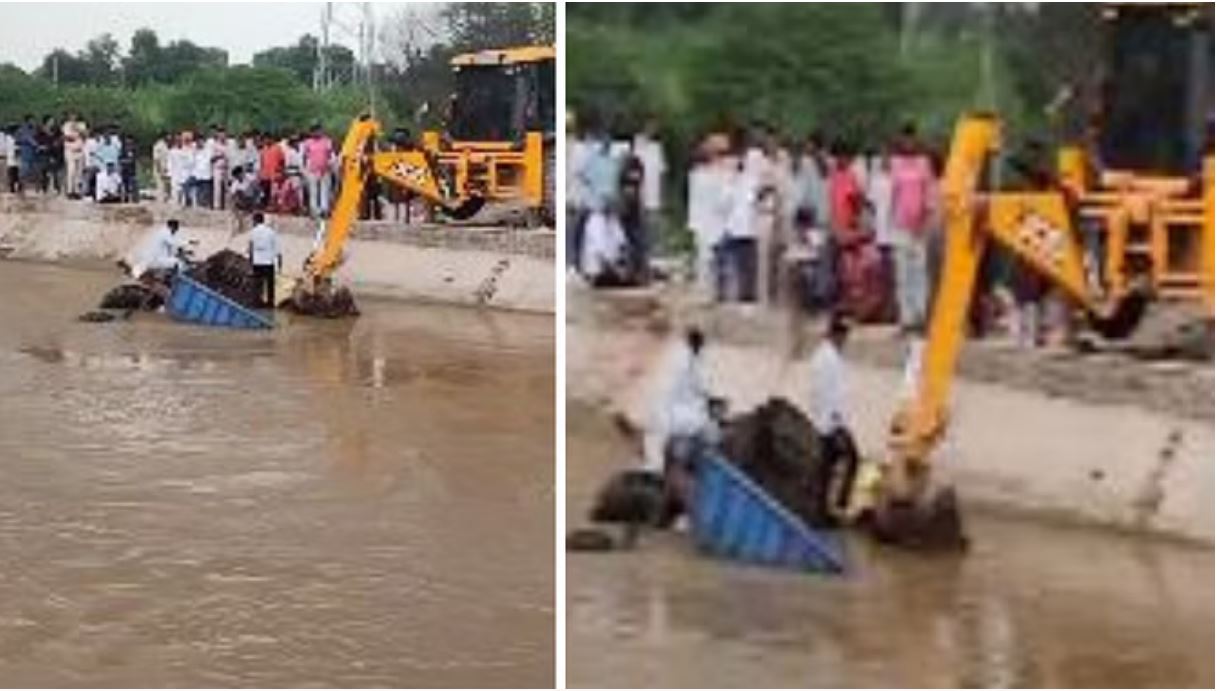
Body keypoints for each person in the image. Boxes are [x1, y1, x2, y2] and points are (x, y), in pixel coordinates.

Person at [809, 314, 860, 524]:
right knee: (852, 459)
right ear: (837, 335)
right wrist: (837, 423)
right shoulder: (828, 359)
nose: (845, 341)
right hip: (832, 423)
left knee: (826, 469)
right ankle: (838, 506)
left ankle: (822, 511)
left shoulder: (823, 356)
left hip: (825, 422)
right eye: (844, 336)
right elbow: (830, 394)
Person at [889, 122, 935, 332]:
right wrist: (891, 220)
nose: (908, 142)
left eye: (911, 138)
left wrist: (924, 220)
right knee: (902, 273)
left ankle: (920, 315)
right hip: (900, 224)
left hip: (919, 226)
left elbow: (929, 195)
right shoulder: (895, 163)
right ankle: (905, 319)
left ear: (916, 140)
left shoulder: (924, 163)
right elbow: (893, 194)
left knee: (919, 272)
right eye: (904, 138)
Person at [632, 116, 666, 278]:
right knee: (641, 232)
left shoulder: (656, 149)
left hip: (654, 197)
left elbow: (661, 174)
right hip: (639, 198)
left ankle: (652, 264)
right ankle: (641, 264)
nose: (653, 130)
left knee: (653, 233)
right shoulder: (635, 148)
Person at [247, 212, 282, 308]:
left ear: (255, 221)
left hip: (257, 262)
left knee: (258, 283)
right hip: (268, 262)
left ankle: (257, 302)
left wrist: (250, 263)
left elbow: (250, 249)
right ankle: (270, 303)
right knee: (270, 284)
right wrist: (279, 265)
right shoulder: (271, 232)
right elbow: (278, 250)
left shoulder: (253, 232)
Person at [302, 124, 334, 219]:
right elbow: (304, 156)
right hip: (312, 170)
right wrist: (305, 170)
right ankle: (314, 211)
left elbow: (331, 155)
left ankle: (324, 210)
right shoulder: (307, 143)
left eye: (318, 130)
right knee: (313, 191)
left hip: (325, 170)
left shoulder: (327, 142)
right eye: (314, 131)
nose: (316, 133)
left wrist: (329, 165)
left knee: (324, 190)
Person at [62, 112, 87, 199]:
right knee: (71, 171)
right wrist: (77, 134)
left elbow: (85, 135)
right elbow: (67, 137)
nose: (73, 117)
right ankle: (69, 191)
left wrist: (78, 130)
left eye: (75, 115)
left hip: (80, 150)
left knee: (79, 172)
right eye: (71, 115)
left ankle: (77, 191)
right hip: (70, 150)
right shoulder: (66, 125)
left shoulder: (82, 125)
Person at [152, 132, 171, 203]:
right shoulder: (158, 146)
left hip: (166, 170)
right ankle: (160, 204)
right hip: (159, 170)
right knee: (160, 188)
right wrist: (160, 170)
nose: (169, 138)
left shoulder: (166, 146)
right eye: (168, 136)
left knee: (166, 188)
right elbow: (156, 159)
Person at [119, 135, 138, 202]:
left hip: (132, 170)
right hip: (124, 170)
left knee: (133, 183)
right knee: (125, 185)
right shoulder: (123, 149)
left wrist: (127, 161)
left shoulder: (134, 149)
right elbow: (120, 159)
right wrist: (126, 161)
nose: (128, 142)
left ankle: (134, 198)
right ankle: (126, 198)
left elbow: (134, 159)